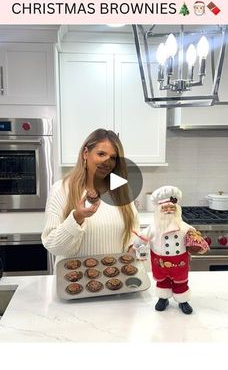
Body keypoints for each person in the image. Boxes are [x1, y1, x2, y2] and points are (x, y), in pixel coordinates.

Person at [41, 129, 139, 266]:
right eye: (101, 154)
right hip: (74, 283)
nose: (107, 162)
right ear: (86, 153)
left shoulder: (122, 190)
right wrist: (77, 217)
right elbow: (52, 245)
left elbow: (132, 233)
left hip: (114, 281)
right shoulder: (61, 190)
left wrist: (133, 248)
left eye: (113, 158)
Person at [133, 186, 209, 314]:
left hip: (180, 261)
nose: (168, 211)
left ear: (177, 210)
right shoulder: (153, 228)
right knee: (162, 281)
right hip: (160, 261)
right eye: (165, 208)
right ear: (159, 210)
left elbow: (195, 238)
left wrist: (197, 243)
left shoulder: (185, 227)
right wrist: (136, 245)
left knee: (181, 281)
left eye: (172, 208)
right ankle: (163, 298)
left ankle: (182, 300)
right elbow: (141, 238)